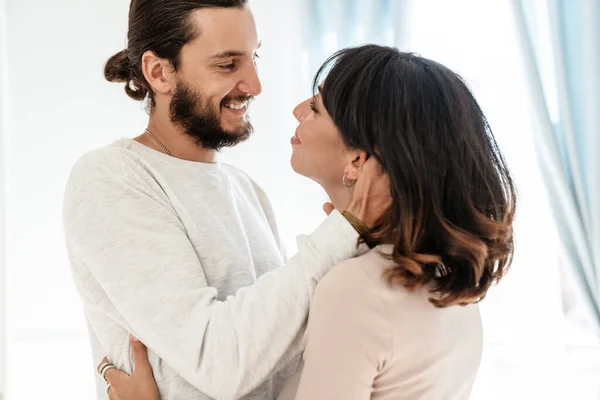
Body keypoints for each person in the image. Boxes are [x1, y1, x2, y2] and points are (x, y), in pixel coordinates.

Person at [100, 45, 517, 399]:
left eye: (317, 107)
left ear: (357, 160)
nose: (298, 109)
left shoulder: (356, 288)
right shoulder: (450, 285)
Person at [62, 1, 389, 400]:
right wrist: (346, 227)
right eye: (227, 65)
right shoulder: (112, 178)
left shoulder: (247, 191)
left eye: (253, 58)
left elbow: (276, 365)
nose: (254, 85)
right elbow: (220, 366)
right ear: (159, 72)